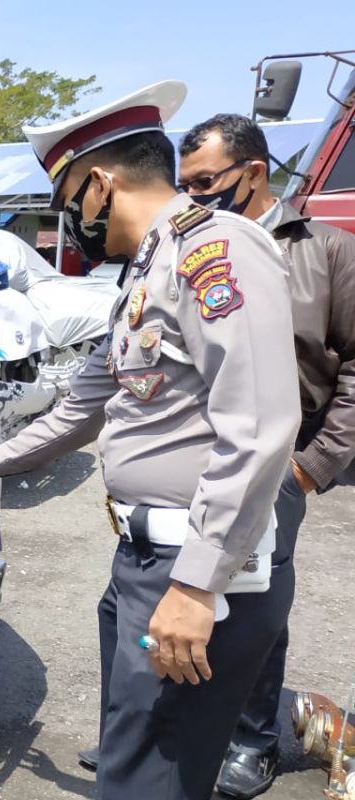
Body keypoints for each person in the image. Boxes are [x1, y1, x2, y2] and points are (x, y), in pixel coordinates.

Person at [0, 81, 301, 800]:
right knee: (138, 759)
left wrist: (197, 584)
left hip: (193, 568)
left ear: (100, 183)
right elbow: (83, 409)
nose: (68, 217)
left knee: (153, 781)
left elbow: (259, 423)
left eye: (68, 196)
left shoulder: (214, 251)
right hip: (143, 560)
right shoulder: (145, 273)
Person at [177, 113, 355, 799]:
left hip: (282, 460)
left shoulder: (326, 253)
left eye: (204, 183)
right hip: (193, 454)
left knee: (250, 598)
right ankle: (165, 733)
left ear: (254, 173)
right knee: (177, 588)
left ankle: (251, 739)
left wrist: (314, 466)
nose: (190, 199)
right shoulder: (189, 247)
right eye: (183, 184)